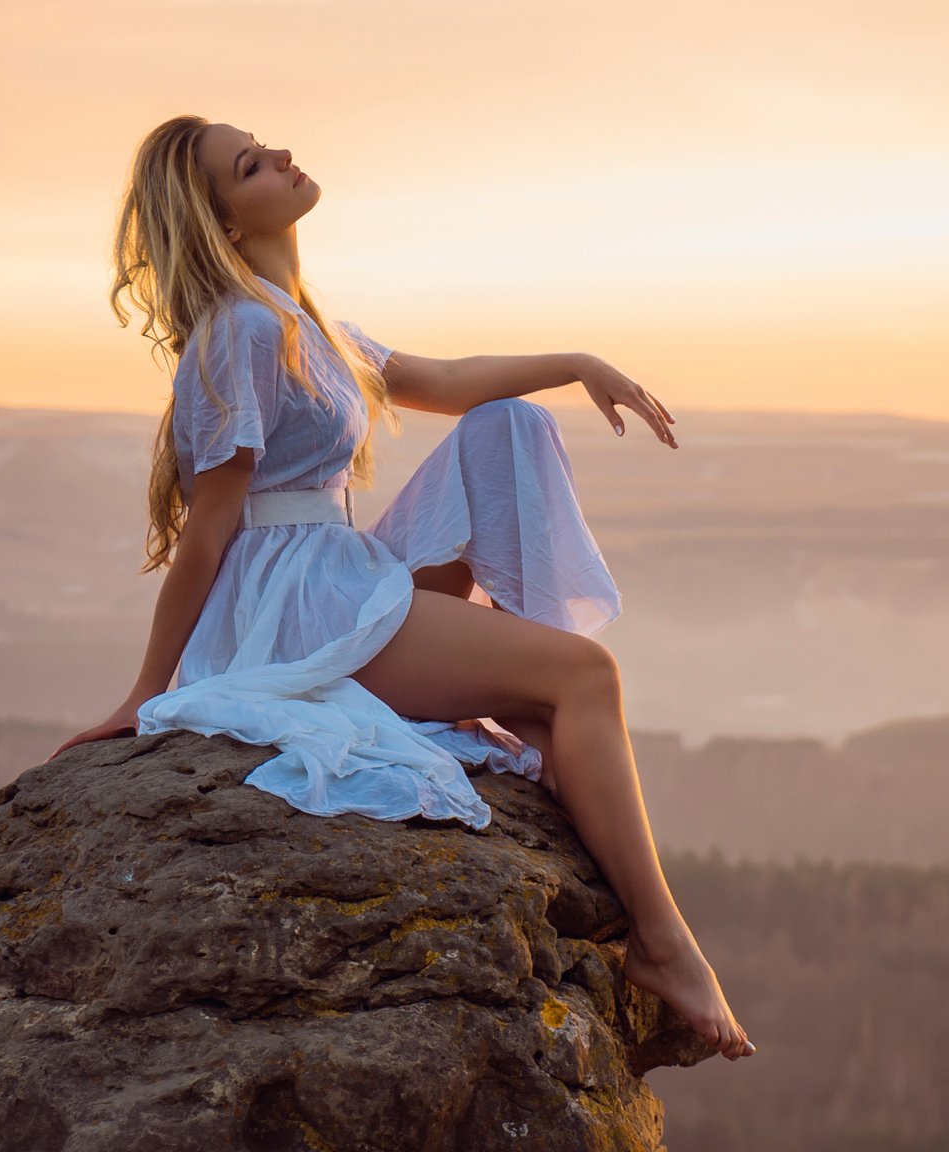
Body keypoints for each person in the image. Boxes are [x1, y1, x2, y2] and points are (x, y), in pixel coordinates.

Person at [52, 115, 753, 1061]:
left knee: (506, 424)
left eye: (264, 144)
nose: (282, 157)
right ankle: (662, 942)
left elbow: (451, 381)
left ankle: (528, 698)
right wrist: (147, 692)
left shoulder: (310, 324)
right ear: (223, 221)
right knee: (586, 676)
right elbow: (209, 528)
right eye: (251, 166)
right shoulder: (241, 330)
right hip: (295, 603)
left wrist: (580, 364)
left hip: (338, 567)